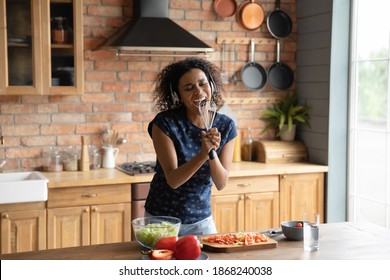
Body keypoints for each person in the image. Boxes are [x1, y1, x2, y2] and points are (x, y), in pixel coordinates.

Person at [145, 57, 238, 236]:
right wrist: (202, 154)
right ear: (178, 95)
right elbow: (173, 180)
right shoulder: (165, 123)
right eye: (188, 88)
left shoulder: (226, 126)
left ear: (211, 85)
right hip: (162, 219)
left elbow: (221, 182)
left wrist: (211, 153)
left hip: (201, 220)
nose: (198, 92)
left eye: (203, 84)